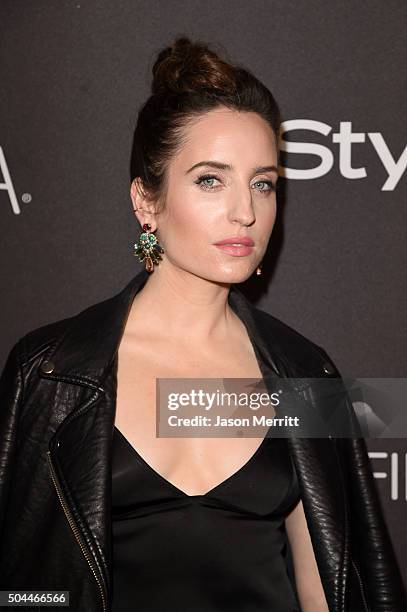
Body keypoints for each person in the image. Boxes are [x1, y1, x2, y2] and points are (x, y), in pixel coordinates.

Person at [0, 36, 405, 612]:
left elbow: (330, 589)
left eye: (262, 183)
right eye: (211, 180)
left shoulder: (305, 374)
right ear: (147, 201)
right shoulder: (51, 371)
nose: (246, 210)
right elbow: (22, 587)